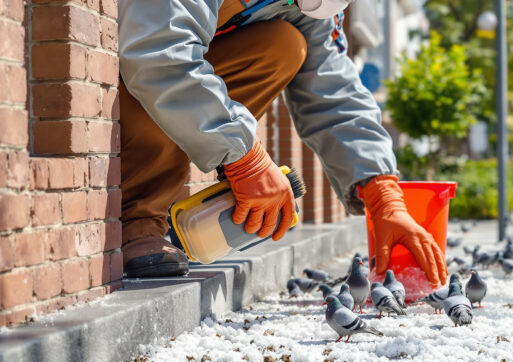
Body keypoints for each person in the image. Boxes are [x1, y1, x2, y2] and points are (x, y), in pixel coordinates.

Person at [117, 0, 448, 285]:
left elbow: (334, 90)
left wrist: (383, 194)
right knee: (164, 70)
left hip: (171, 70)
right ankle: (138, 220)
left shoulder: (306, 7)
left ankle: (221, 154)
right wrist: (245, 159)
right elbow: (159, 53)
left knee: (285, 45)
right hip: (137, 71)